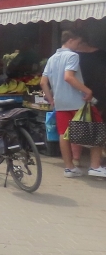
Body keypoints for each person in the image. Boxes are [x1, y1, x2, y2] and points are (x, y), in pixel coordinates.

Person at [41, 30, 105, 178]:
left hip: (61, 103)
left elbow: (43, 82)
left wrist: (51, 100)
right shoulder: (72, 56)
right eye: (77, 42)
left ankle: (69, 168)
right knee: (96, 129)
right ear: (70, 40)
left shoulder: (52, 58)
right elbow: (69, 77)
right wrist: (87, 91)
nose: (78, 45)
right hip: (78, 102)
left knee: (64, 134)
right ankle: (95, 167)